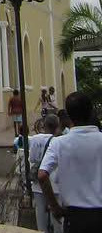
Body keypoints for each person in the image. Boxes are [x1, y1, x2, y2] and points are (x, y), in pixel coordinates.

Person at [38, 91, 102, 233]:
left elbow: (42, 175)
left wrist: (54, 207)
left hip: (74, 217)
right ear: (91, 111)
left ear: (68, 115)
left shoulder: (58, 143)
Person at [30, 113, 62, 233]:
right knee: (56, 214)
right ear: (57, 126)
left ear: (44, 125)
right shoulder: (59, 141)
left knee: (40, 212)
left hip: (38, 183)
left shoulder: (35, 139)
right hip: (55, 182)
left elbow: (32, 159)